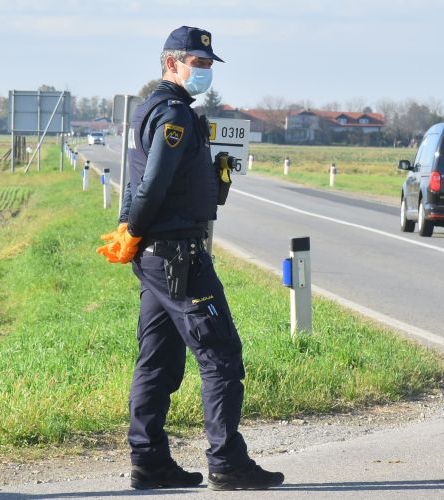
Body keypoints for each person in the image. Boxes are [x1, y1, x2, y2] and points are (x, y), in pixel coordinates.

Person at [96, 26, 284, 491]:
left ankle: (150, 461)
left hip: (160, 257)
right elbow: (154, 182)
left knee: (158, 360)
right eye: (195, 64)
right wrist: (133, 230)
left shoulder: (153, 109)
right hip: (180, 258)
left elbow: (141, 177)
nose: (202, 72)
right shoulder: (175, 114)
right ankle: (227, 462)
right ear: (170, 63)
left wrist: (211, 183)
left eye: (206, 65)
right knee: (221, 355)